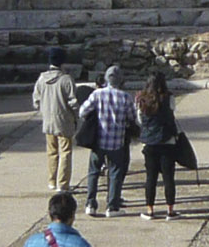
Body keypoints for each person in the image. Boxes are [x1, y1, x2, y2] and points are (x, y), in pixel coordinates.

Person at [82, 63, 139, 217]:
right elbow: (133, 118)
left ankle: (90, 203)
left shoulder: (97, 94)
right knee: (115, 173)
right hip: (117, 141)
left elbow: (82, 112)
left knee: (93, 172)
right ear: (120, 80)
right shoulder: (125, 97)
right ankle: (112, 206)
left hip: (98, 140)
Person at [138, 75, 193, 219]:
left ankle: (150, 210)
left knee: (151, 178)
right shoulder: (168, 98)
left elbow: (139, 119)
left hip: (149, 143)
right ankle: (170, 210)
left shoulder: (141, 98)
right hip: (167, 141)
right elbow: (172, 113)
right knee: (169, 178)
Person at [32, 49, 81, 192]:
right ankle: (63, 183)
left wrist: (44, 110)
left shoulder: (41, 79)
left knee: (51, 151)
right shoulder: (66, 79)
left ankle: (51, 180)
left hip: (48, 121)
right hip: (64, 120)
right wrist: (77, 115)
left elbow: (36, 101)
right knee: (65, 151)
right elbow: (73, 102)